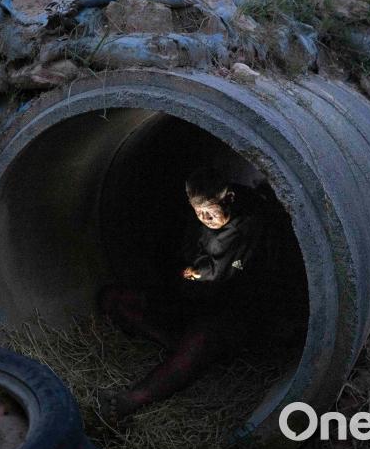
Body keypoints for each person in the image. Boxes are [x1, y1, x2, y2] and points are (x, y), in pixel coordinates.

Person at [97, 166, 293, 423]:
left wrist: (203, 277)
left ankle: (132, 399)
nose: (205, 218)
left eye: (210, 211)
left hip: (230, 309)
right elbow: (177, 257)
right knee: (113, 299)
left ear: (229, 198)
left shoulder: (253, 223)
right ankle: (173, 341)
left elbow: (245, 277)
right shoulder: (196, 220)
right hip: (188, 299)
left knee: (200, 342)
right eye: (198, 212)